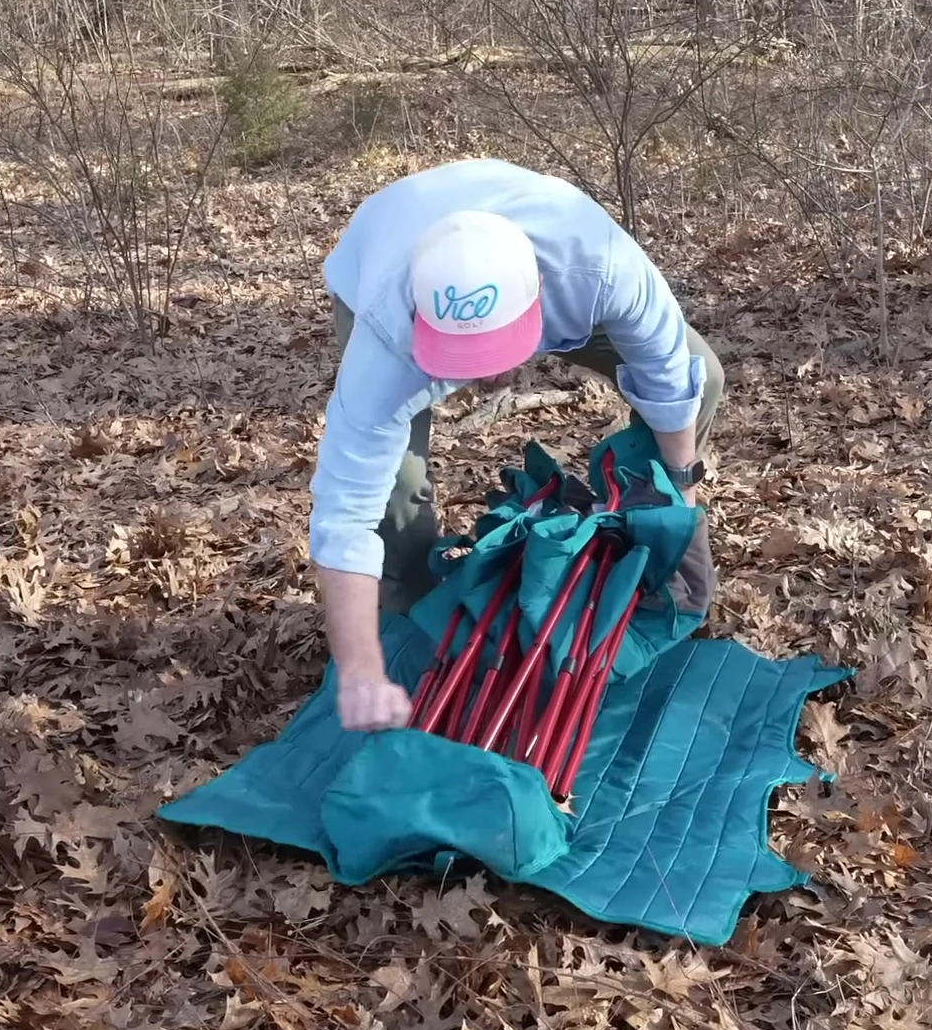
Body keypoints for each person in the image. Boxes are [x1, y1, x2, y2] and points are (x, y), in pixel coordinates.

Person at [310, 159, 724, 732]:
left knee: (705, 373)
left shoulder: (601, 266)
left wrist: (681, 506)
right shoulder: (386, 333)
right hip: (381, 251)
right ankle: (419, 616)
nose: (484, 380)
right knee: (394, 489)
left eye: (494, 356)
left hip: (559, 278)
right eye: (466, 360)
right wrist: (360, 671)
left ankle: (644, 534)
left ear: (540, 298)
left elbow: (672, 382)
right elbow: (345, 513)